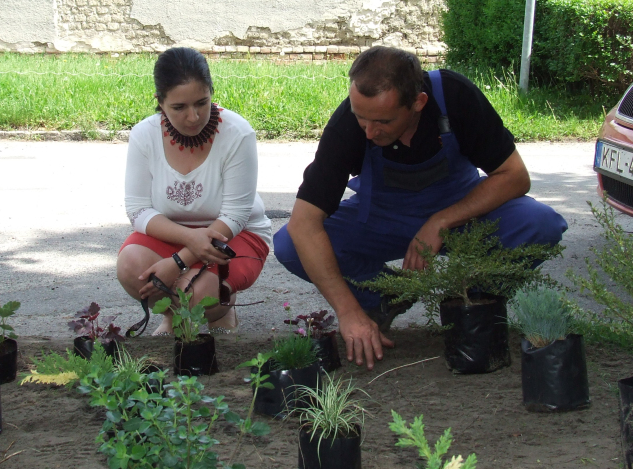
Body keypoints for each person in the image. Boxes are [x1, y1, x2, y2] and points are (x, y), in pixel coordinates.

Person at [273, 46, 567, 370]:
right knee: (289, 244)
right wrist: (348, 311)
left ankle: (474, 302)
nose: (368, 131)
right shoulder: (348, 125)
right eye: (361, 117)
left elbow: (514, 176)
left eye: (383, 121)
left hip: (461, 214)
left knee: (542, 224)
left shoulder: (454, 96)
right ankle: (385, 297)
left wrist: (441, 221)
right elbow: (304, 224)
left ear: (418, 103)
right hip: (382, 218)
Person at [117, 47, 271, 336]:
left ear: (212, 91)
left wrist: (178, 262)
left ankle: (222, 310)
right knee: (131, 267)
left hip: (235, 235)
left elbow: (236, 216)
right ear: (160, 102)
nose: (193, 117)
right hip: (173, 233)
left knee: (201, 296)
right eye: (179, 107)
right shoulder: (143, 135)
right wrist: (190, 239)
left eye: (202, 102)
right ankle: (174, 317)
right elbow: (137, 209)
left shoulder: (238, 133)